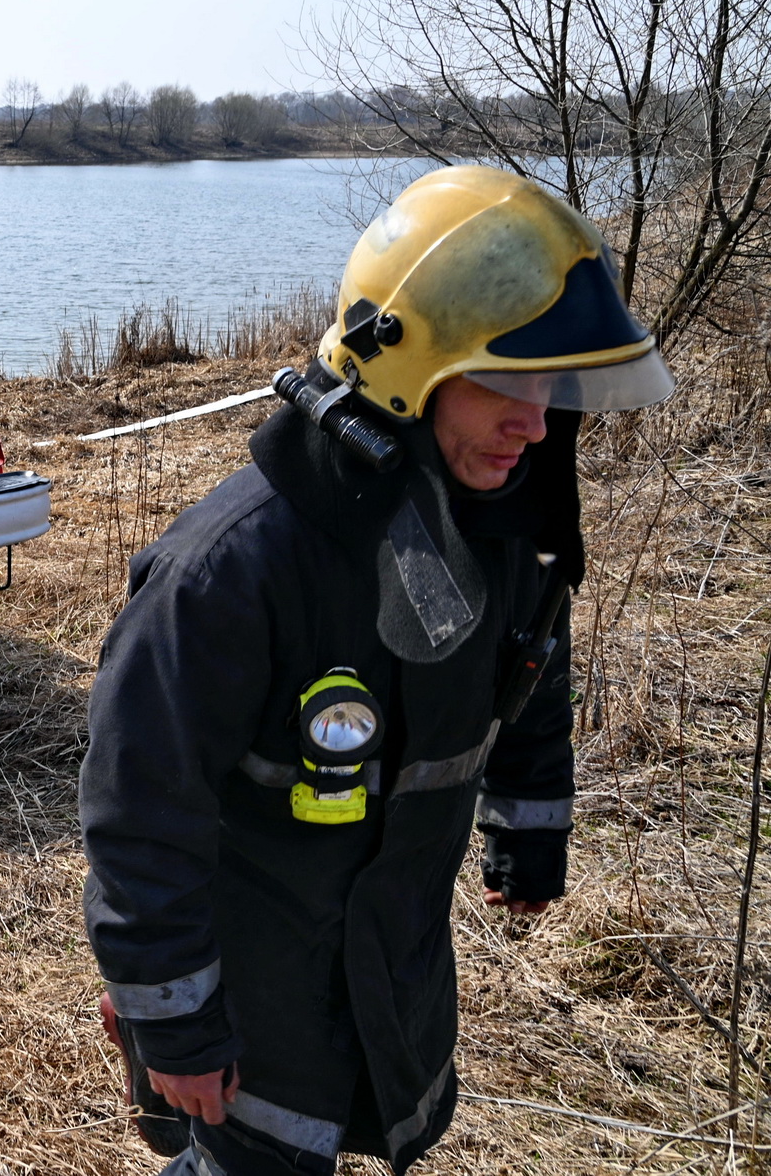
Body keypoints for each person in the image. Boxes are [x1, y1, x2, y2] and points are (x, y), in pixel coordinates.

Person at [79, 165, 675, 1176]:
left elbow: (530, 671)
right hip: (251, 975)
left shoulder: (495, 535)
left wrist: (528, 830)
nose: (534, 423)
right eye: (506, 383)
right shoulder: (229, 574)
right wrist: (171, 1018)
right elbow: (140, 811)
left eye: (549, 388)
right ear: (410, 374)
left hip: (392, 957)